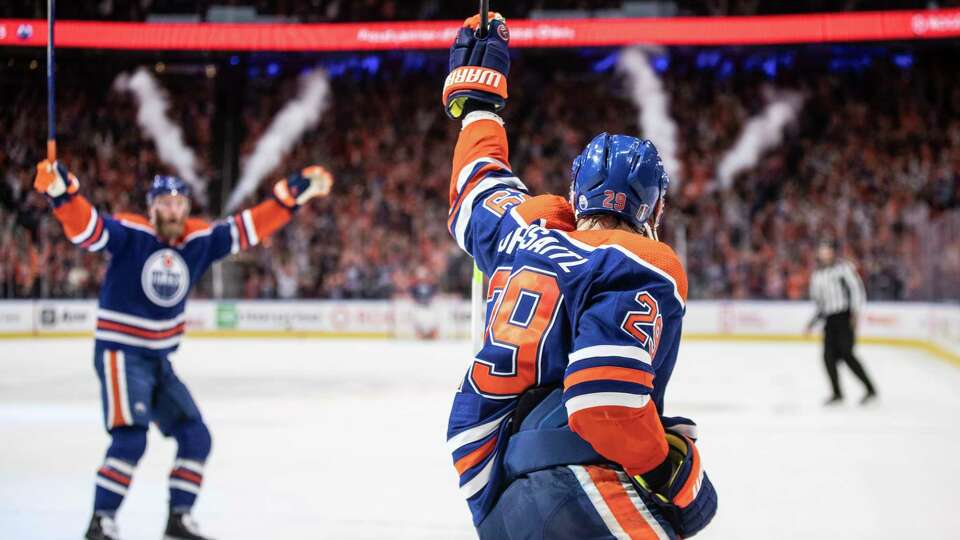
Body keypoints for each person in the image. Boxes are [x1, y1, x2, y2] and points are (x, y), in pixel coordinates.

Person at [441, 13, 717, 539]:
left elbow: (475, 186)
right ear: (653, 211)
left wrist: (479, 108)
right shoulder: (639, 260)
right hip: (578, 486)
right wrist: (674, 475)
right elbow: (602, 401)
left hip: (493, 491)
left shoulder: (520, 229)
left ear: (576, 196)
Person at [33, 161, 333, 540]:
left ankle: (179, 520)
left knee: (196, 436)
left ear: (187, 208)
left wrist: (291, 195)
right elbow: (88, 229)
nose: (173, 210)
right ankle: (100, 522)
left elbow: (249, 227)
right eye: (164, 203)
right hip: (121, 352)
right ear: (152, 207)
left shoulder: (198, 240)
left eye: (179, 203)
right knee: (131, 438)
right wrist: (64, 194)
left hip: (159, 359)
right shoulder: (131, 233)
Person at [806, 240, 877, 405]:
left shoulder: (843, 268)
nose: (824, 253)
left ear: (832, 252)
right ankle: (837, 393)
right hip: (830, 321)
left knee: (847, 354)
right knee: (828, 358)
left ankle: (870, 388)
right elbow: (820, 303)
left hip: (844, 317)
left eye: (827, 249)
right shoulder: (817, 275)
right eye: (822, 250)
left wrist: (855, 313)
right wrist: (812, 323)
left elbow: (856, 290)